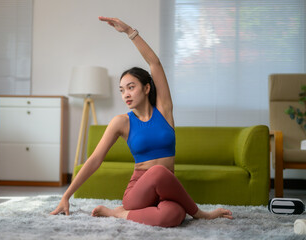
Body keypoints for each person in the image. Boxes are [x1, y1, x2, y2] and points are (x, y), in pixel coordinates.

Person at [50, 16, 233, 227]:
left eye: (131, 87)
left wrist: (130, 32)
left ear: (147, 88)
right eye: (121, 90)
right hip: (137, 193)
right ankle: (201, 214)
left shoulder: (164, 110)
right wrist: (66, 196)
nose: (125, 94)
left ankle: (118, 214)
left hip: (166, 191)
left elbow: (154, 63)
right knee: (157, 171)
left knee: (173, 216)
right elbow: (94, 160)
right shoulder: (121, 122)